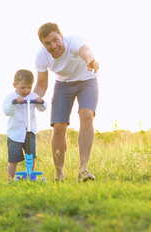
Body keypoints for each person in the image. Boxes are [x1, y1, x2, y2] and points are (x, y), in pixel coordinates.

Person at [33, 23, 99, 182]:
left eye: (55, 40)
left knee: (86, 115)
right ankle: (59, 173)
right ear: (43, 44)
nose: (53, 45)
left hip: (87, 81)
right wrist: (33, 99)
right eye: (47, 43)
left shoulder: (74, 41)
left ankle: (83, 169)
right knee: (59, 126)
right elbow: (42, 84)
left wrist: (90, 60)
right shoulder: (41, 56)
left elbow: (85, 51)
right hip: (63, 85)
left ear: (61, 36)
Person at [3, 69, 47, 181]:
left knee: (30, 156)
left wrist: (41, 102)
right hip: (15, 134)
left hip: (30, 132)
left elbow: (42, 108)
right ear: (15, 85)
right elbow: (7, 111)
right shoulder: (10, 97)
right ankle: (10, 179)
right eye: (23, 87)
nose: (26, 90)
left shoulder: (33, 96)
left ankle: (30, 176)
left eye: (29, 87)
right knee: (13, 158)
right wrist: (15, 102)